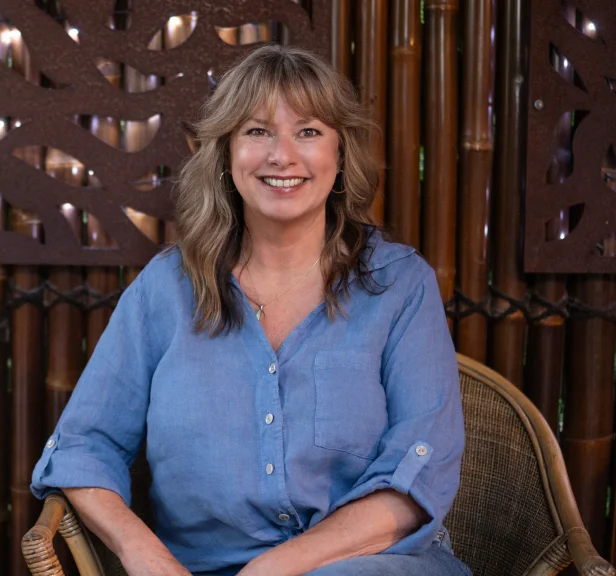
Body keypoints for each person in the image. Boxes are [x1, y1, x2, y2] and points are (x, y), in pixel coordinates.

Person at [30, 44, 470, 576]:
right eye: (257, 131)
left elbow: (418, 476)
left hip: (371, 565)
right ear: (225, 154)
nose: (281, 155)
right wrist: (142, 553)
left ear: (341, 154)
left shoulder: (401, 286)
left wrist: (271, 570)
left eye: (308, 131)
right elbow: (82, 445)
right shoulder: (166, 288)